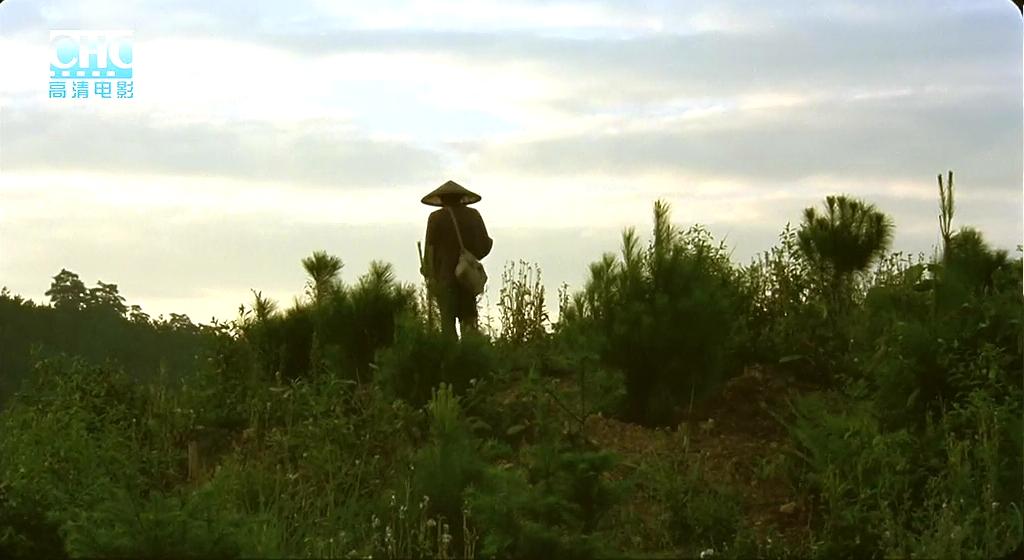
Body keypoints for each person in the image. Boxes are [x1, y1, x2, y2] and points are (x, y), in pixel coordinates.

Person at [420, 180, 493, 338]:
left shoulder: (436, 218)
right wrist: (469, 257)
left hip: (445, 279)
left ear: (441, 199)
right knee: (469, 325)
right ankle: (472, 352)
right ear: (461, 197)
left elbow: (429, 251)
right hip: (466, 278)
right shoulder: (473, 216)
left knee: (447, 327)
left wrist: (428, 271)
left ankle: (451, 353)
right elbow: (484, 247)